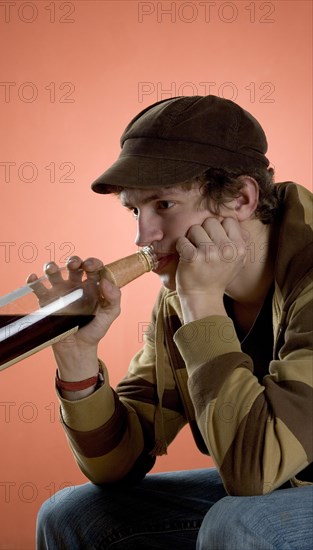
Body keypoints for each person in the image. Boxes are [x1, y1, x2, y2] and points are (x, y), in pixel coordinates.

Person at [35, 96, 313, 549]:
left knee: (240, 523)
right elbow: (117, 464)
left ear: (241, 198)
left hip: (271, 494)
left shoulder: (197, 293)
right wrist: (78, 356)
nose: (143, 236)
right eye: (135, 210)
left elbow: (252, 472)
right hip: (278, 495)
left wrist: (202, 302)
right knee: (73, 516)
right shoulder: (180, 297)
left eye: (164, 204)